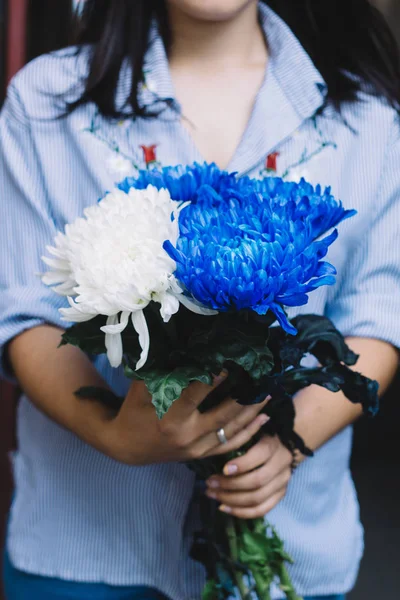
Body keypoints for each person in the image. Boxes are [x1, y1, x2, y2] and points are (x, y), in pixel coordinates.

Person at [1, 1, 399, 599]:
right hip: (85, 544)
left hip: (294, 548)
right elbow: (22, 307)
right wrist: (114, 434)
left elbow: (380, 310)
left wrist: (287, 444)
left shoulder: (366, 116)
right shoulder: (46, 100)